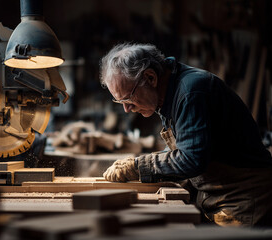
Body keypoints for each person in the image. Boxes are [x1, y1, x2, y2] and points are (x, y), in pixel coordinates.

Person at [100, 43, 272, 227]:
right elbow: (183, 147)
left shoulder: (190, 92)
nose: (127, 109)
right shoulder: (168, 93)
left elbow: (191, 159)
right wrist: (141, 163)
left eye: (128, 98)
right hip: (219, 196)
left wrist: (138, 166)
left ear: (150, 78)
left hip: (245, 198)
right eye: (120, 102)